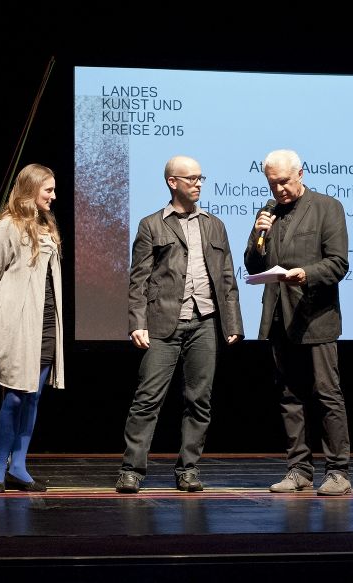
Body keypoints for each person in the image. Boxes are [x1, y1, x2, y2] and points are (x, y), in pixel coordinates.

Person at [116, 155, 244, 494]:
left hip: (205, 323)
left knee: (199, 400)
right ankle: (132, 469)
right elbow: (138, 279)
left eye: (201, 177)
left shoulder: (214, 225)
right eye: (191, 178)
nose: (198, 183)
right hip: (162, 323)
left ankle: (188, 469)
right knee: (147, 398)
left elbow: (227, 277)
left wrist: (233, 322)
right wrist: (137, 322)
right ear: (173, 182)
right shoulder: (152, 224)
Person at [244, 149, 352, 496]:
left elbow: (337, 263)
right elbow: (252, 264)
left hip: (315, 316)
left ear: (300, 174)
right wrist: (259, 238)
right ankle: (299, 469)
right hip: (279, 318)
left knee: (326, 394)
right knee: (290, 395)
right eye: (272, 183)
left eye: (284, 182)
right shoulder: (268, 212)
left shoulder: (327, 207)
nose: (279, 190)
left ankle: (337, 471)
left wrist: (306, 274)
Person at [0, 163, 63, 493]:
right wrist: (5, 312)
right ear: (31, 189)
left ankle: (20, 465)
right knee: (14, 397)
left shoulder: (48, 225)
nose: (53, 196)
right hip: (17, 323)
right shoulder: (7, 226)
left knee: (33, 397)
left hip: (45, 323)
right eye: (48, 190)